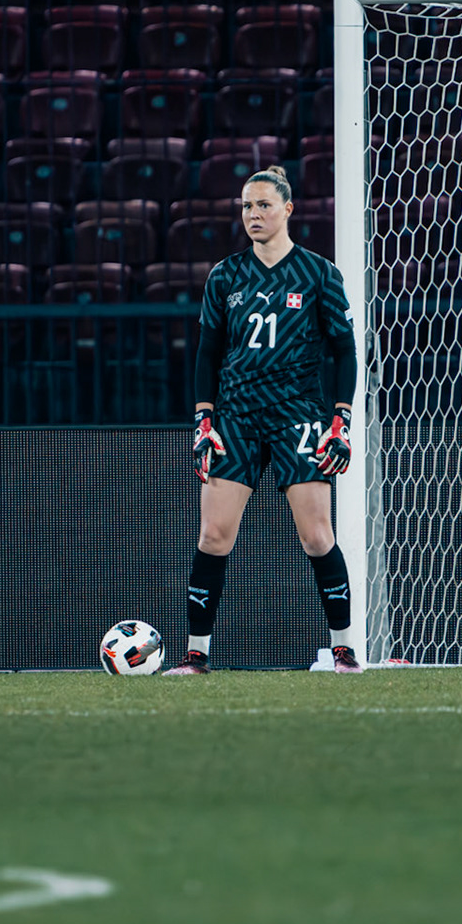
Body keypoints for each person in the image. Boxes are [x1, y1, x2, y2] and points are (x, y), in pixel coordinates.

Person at [167, 165, 361, 675]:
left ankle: (343, 649)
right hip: (236, 416)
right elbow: (207, 353)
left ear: (288, 210)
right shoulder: (225, 275)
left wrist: (339, 422)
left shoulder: (319, 273)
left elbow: (345, 350)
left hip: (298, 415)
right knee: (213, 536)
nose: (253, 214)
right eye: (247, 206)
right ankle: (196, 655)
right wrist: (203, 420)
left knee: (317, 536)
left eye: (264, 205)